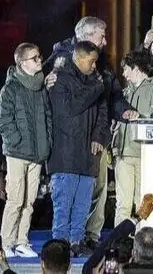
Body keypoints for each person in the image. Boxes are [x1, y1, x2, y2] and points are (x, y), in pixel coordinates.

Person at [49, 16, 138, 248]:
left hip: (95, 140)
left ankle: (88, 237)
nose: (106, 42)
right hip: (67, 145)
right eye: (102, 36)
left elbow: (109, 100)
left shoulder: (102, 66)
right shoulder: (61, 60)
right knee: (66, 198)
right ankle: (61, 242)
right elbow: (44, 85)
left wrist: (122, 113)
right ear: (86, 37)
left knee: (94, 191)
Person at [48, 41, 109, 254]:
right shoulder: (60, 79)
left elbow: (103, 113)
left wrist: (99, 137)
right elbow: (70, 109)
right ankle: (60, 244)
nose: (94, 66)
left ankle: (76, 241)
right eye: (91, 62)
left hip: (89, 153)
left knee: (83, 205)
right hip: (65, 153)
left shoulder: (95, 81)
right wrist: (96, 87)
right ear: (80, 58)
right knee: (63, 204)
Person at [0, 42, 52, 259]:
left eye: (39, 57)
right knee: (15, 199)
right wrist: (16, 141)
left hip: (37, 153)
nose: (40, 60)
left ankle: (22, 241)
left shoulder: (40, 87)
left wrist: (47, 142)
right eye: (35, 58)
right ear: (22, 63)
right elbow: (3, 119)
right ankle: (7, 242)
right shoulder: (10, 88)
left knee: (29, 201)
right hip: (18, 153)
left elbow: (47, 116)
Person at [115, 51, 153, 220]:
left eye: (126, 69)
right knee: (122, 203)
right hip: (123, 153)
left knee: (143, 202)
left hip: (144, 154)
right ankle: (120, 241)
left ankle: (143, 241)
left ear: (137, 68)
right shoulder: (125, 92)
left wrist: (141, 117)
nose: (124, 74)